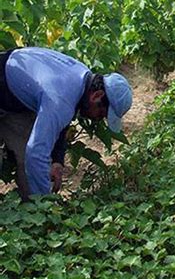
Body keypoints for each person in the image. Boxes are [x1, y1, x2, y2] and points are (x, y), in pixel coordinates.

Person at [0, 47, 133, 200]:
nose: (98, 119)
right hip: (5, 79)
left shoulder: (82, 78)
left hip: (13, 94)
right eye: (102, 114)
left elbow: (61, 120)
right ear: (97, 95)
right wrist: (46, 207)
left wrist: (57, 161)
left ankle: (30, 213)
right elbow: (36, 154)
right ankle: (37, 212)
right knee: (36, 157)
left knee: (29, 155)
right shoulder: (62, 99)